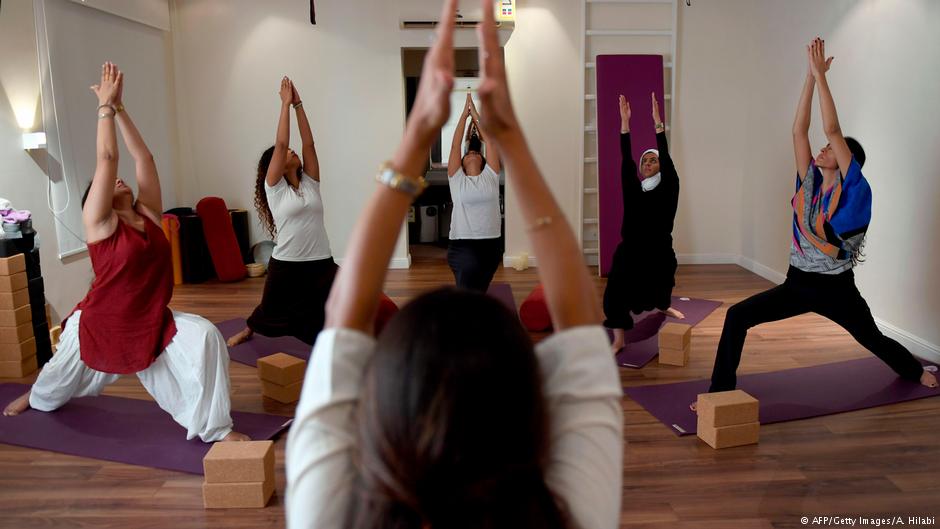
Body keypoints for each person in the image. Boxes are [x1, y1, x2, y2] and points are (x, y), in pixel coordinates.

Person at [284, 1, 622, 528]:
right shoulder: (570, 515)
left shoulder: (334, 517)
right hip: (468, 244)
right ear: (534, 412)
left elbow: (342, 318)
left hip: (483, 245)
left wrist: (419, 127)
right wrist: (504, 128)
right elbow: (582, 321)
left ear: (382, 409)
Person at [2, 63, 249, 442]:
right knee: (53, 388)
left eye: (122, 182)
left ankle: (216, 428)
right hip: (104, 323)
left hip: (150, 320)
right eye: (111, 184)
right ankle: (35, 395)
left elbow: (144, 160)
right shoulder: (100, 225)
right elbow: (107, 160)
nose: (120, 180)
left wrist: (120, 108)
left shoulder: (147, 213)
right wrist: (102, 108)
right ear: (97, 200)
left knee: (204, 338)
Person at [701, 38, 938, 405]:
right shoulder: (808, 183)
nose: (823, 149)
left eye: (832, 151)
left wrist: (824, 79)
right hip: (797, 283)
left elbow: (831, 130)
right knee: (737, 316)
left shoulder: (856, 193)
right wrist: (810, 78)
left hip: (837, 290)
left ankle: (915, 370)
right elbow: (799, 131)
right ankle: (718, 394)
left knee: (872, 337)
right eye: (824, 150)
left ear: (848, 164)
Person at [227, 77, 337, 347]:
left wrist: (299, 105)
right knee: (270, 308)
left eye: (291, 150)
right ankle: (250, 329)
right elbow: (279, 143)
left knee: (327, 310)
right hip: (287, 261)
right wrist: (284, 105)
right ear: (274, 165)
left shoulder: (311, 183)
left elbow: (309, 144)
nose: (293, 150)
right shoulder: (274, 188)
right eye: (288, 152)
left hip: (320, 259)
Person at [603, 92, 685, 353]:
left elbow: (667, 160)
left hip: (659, 251)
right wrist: (625, 124)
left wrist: (657, 124)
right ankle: (618, 338)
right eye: (645, 161)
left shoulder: (669, 188)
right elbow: (626, 161)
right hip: (630, 252)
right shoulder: (634, 189)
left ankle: (663, 305)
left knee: (661, 287)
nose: (648, 163)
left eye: (653, 160)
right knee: (615, 293)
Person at [445, 90, 503, 291]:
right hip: (463, 244)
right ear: (461, 161)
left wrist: (477, 116)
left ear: (483, 159)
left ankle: (474, 319)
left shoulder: (491, 176)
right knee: (466, 290)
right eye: (468, 153)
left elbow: (492, 144)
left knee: (480, 290)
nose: (471, 154)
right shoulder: (457, 179)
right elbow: (455, 146)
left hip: (491, 243)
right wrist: (464, 115)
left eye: (475, 153)